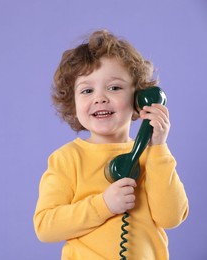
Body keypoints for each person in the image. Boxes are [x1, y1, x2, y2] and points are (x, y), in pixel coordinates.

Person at [33, 30, 189, 259]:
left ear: (138, 98)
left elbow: (171, 217)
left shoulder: (153, 155)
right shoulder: (67, 159)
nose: (100, 98)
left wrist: (158, 148)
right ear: (72, 102)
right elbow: (45, 227)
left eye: (114, 87)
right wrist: (103, 205)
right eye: (87, 90)